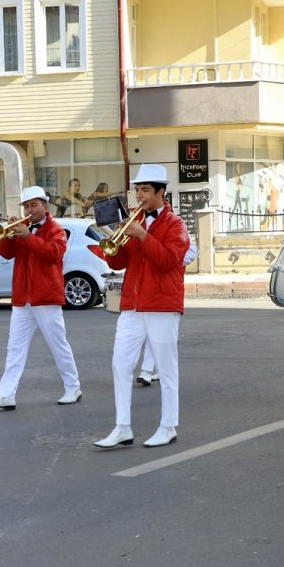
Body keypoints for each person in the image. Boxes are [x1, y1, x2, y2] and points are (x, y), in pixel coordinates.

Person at [94, 164, 189, 449]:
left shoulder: (175, 224)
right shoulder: (135, 221)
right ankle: (122, 426)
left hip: (161, 303)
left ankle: (168, 426)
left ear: (161, 191)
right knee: (120, 364)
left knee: (166, 367)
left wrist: (143, 237)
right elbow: (117, 262)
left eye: (145, 190)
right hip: (133, 303)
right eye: (137, 190)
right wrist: (114, 242)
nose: (139, 196)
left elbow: (170, 261)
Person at [0, 186, 82, 412]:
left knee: (58, 345)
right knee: (14, 348)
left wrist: (28, 237)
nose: (29, 209)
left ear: (45, 207)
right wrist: (9, 233)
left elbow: (53, 254)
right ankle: (6, 394)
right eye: (26, 206)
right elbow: (5, 253)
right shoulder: (22, 228)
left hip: (46, 296)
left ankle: (73, 387)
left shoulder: (57, 229)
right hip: (22, 297)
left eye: (33, 205)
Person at [136, 237, 198, 385]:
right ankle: (151, 370)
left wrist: (172, 261)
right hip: (148, 291)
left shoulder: (175, 227)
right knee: (153, 335)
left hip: (167, 293)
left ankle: (150, 371)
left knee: (162, 337)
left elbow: (192, 251)